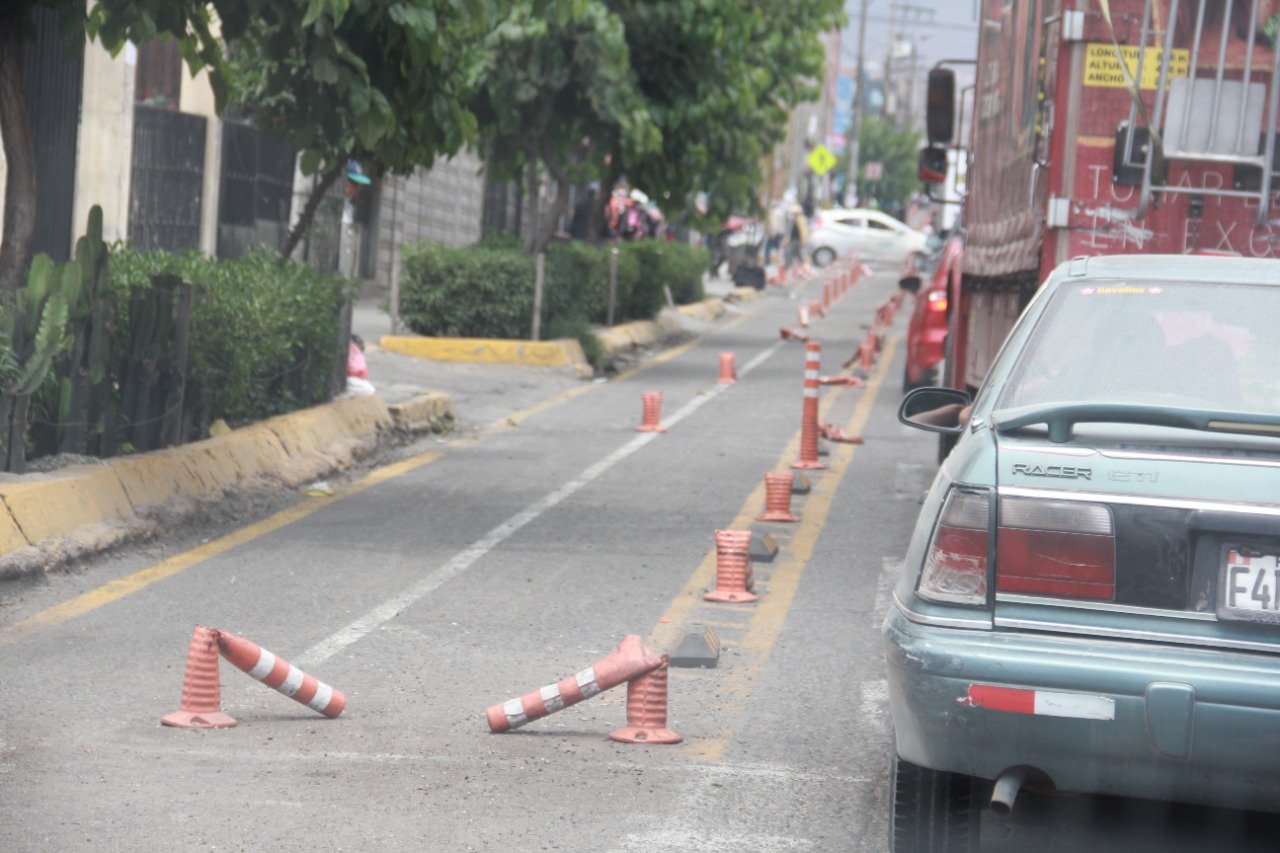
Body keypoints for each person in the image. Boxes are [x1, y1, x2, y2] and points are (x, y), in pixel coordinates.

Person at [765, 199, 787, 265]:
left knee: (768, 247)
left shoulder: (773, 213)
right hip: (780, 232)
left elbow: (774, 224)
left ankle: (767, 261)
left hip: (774, 232)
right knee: (778, 247)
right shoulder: (781, 212)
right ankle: (781, 260)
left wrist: (772, 232)